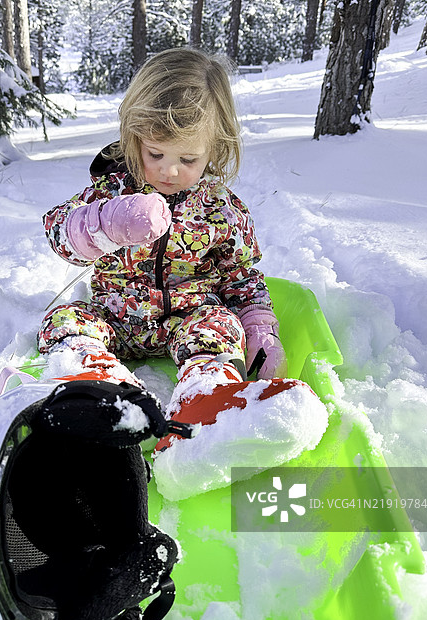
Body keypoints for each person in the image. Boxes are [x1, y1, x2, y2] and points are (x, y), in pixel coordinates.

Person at [37, 47, 287, 421]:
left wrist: (259, 326)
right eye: (155, 154)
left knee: (221, 326)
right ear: (134, 137)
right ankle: (98, 393)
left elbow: (242, 277)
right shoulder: (112, 192)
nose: (169, 171)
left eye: (187, 159)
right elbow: (58, 231)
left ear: (214, 149)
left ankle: (207, 399)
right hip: (115, 315)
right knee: (64, 320)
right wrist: (106, 223)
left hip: (190, 317)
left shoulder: (220, 208)